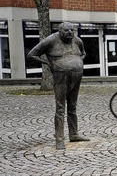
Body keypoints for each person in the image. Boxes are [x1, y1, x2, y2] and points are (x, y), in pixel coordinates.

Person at [27, 22, 89, 150]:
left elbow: (83, 54)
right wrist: (49, 63)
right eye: (66, 30)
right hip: (60, 77)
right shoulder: (50, 40)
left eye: (72, 30)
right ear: (60, 31)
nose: (70, 32)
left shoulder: (77, 41)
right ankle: (59, 139)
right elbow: (32, 54)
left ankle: (74, 134)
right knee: (60, 107)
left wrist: (77, 62)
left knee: (72, 106)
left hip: (76, 76)